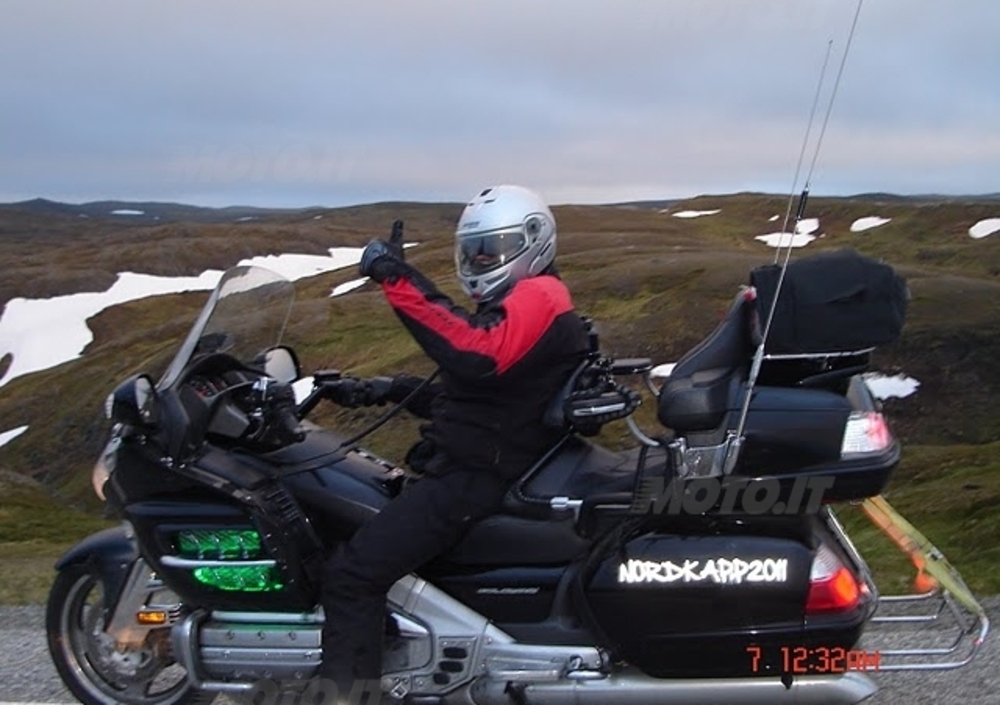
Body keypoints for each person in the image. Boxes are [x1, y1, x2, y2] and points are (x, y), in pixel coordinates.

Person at [317, 185, 592, 702]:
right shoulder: (530, 297)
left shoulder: (539, 295)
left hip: (478, 474)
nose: (481, 261)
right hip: (493, 458)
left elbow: (473, 352)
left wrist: (396, 277)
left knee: (352, 575)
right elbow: (489, 396)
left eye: (493, 250)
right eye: (474, 251)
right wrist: (382, 389)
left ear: (534, 240)